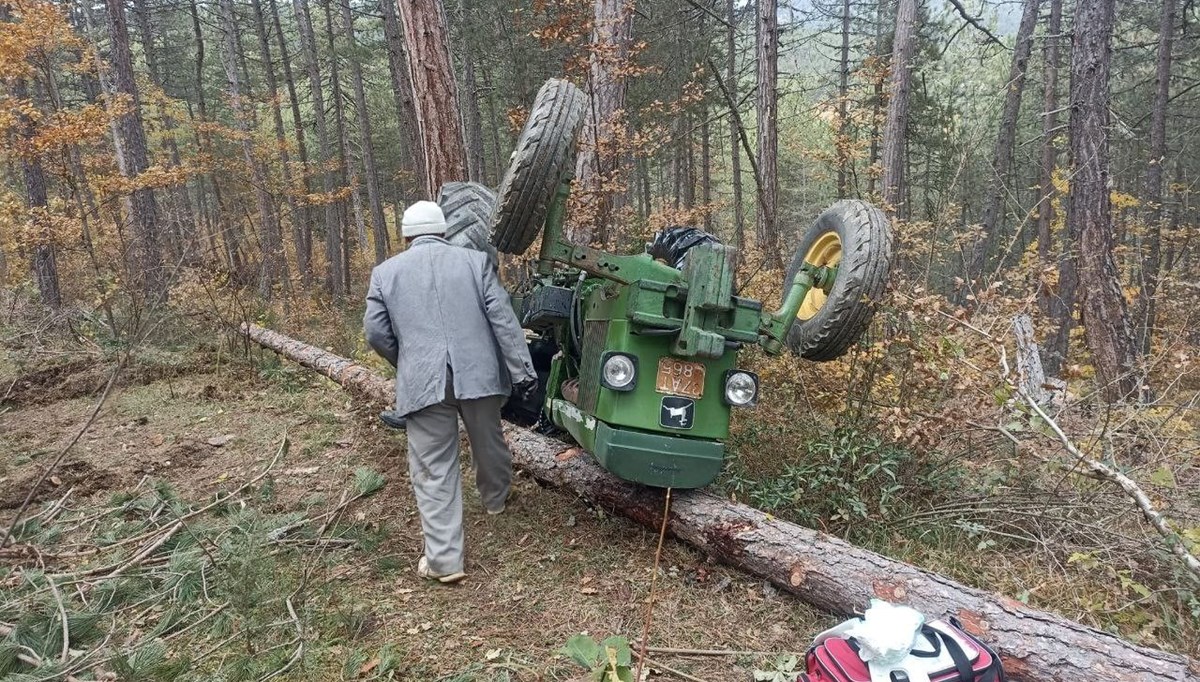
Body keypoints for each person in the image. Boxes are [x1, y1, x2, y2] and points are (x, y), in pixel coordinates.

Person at [363, 200, 537, 584]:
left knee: (433, 466)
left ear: (407, 235)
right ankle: (495, 500)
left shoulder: (385, 273)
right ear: (443, 230)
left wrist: (407, 360)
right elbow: (503, 321)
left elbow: (376, 332)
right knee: (488, 440)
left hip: (424, 382)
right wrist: (522, 371)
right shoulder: (475, 263)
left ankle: (444, 562)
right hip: (479, 375)